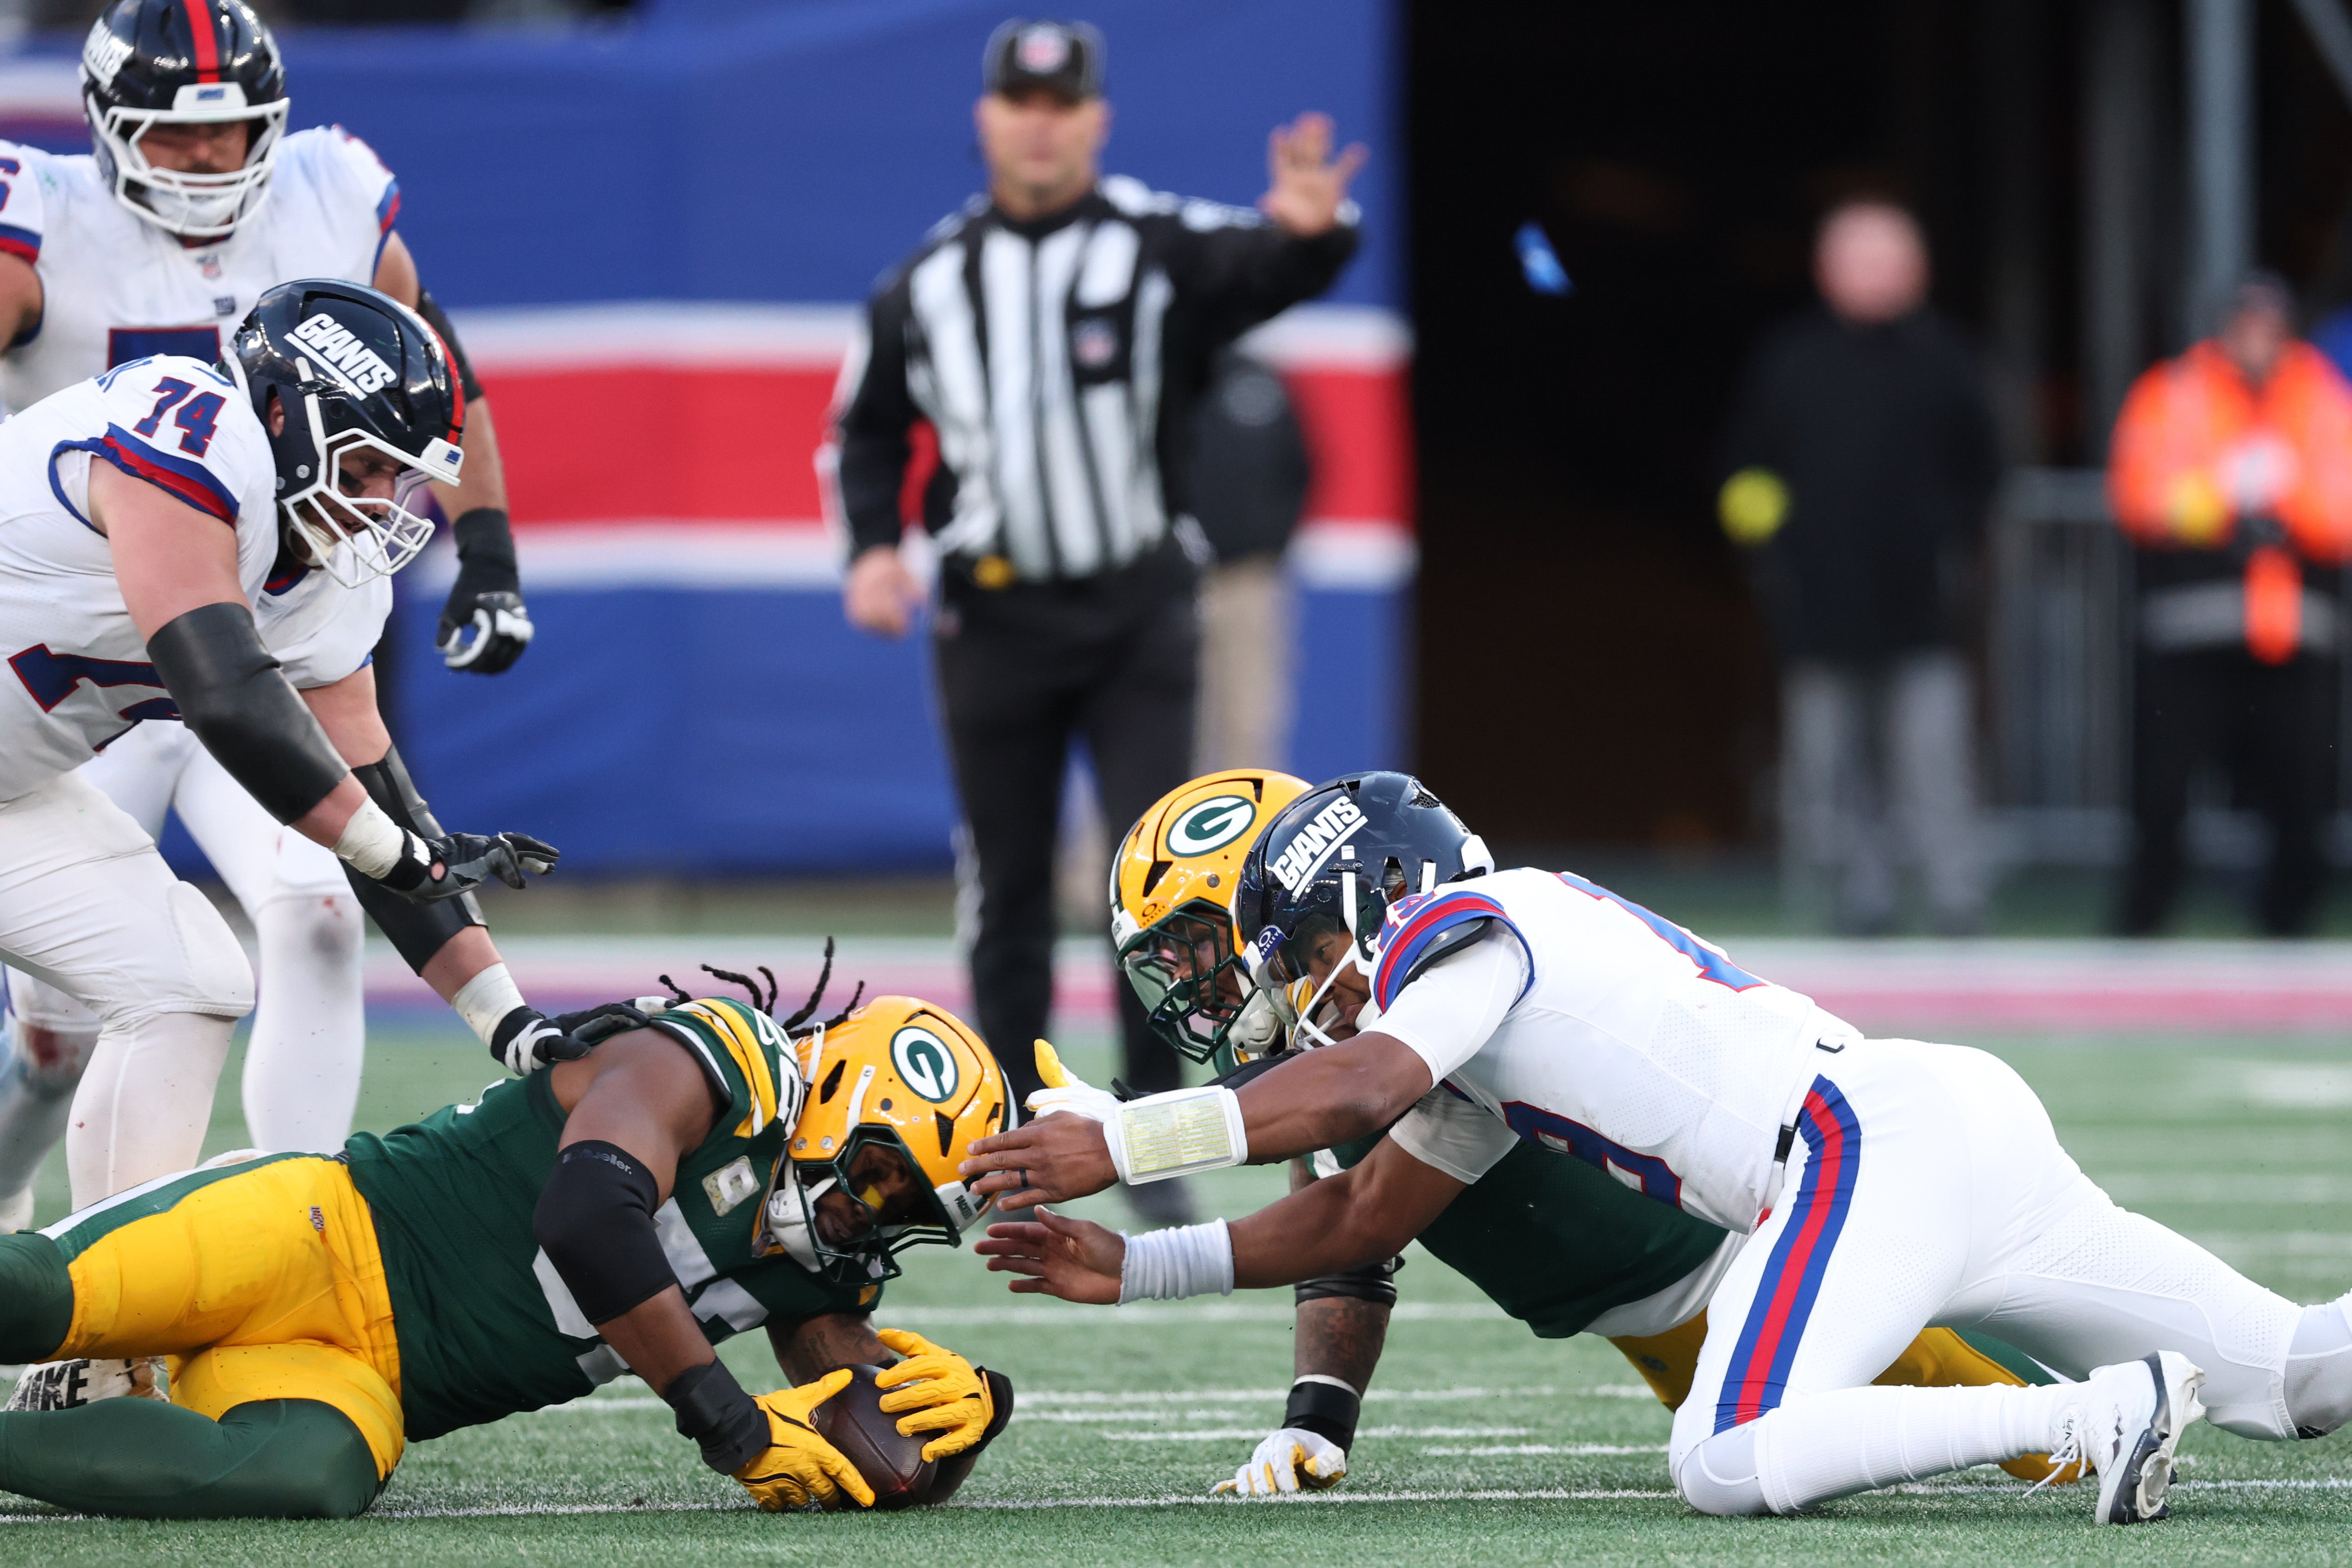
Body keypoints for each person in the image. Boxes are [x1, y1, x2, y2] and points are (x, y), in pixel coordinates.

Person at [969, 773, 2352, 1523]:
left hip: (1853, 1143)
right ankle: (2114, 1404)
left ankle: (2090, 1415)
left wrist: (1122, 1133)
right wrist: (1133, 1262)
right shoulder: (1482, 1007)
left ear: (1363, 894)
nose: (1300, 971)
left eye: (1305, 937)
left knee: (1725, 1451)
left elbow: (1352, 1088)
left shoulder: (1461, 934)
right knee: (2291, 1370)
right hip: (1938, 1120)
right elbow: (1355, 1216)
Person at [1099, 770, 2078, 1499]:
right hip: (1665, 1327)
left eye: (1196, 945)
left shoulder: (1408, 1008)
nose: (1191, 984)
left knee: (2056, 1439)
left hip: (1770, 1250)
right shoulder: (1336, 1036)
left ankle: (2124, 1400)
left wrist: (1122, 1147)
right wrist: (1316, 1417)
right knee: (1765, 1461)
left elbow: (1358, 1202)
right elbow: (1342, 1233)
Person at [822, 17, 1365, 1213]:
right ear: (986, 118)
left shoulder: (1152, 245)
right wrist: (870, 552)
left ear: (1095, 119)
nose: (1039, 122)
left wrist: (1315, 236)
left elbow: (1263, 267)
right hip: (995, 615)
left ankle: (1148, 1137)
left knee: (1155, 881)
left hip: (1134, 612)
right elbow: (865, 430)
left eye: (1062, 103)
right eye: (1020, 102)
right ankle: (1023, 1130)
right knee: (1007, 882)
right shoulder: (929, 279)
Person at [0, 0, 537, 1183]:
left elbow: (438, 381)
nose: (205, 160)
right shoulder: (54, 242)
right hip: (93, 644)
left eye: (230, 134)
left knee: (288, 924)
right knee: (58, 1033)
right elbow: (230, 686)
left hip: (151, 671)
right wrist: (403, 851)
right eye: (176, 135)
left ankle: (259, 1242)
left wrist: (513, 1020)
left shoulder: (331, 197)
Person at [0, 982, 1016, 1518]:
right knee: (31, 1294)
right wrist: (731, 1422)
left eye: (909, 1208)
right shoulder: (714, 1062)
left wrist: (957, 1412)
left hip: (365, 1381)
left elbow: (862, 1434)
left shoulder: (829, 1257)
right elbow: (583, 1216)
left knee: (307, 1479)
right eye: (882, 1176)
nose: (874, 1215)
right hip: (320, 1232)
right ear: (842, 1098)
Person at [1717, 200, 1999, 935]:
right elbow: (1745, 468)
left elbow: (1986, 468)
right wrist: (1778, 547)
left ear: (1918, 271)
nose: (1876, 276)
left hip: (1924, 606)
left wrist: (1949, 544)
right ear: (1826, 270)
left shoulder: (1948, 359)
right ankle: (1850, 900)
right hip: (1818, 605)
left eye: (1889, 260)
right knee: (1827, 766)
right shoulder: (1789, 359)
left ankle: (1954, 896)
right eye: (1860, 260)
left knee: (1934, 759)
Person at [2107, 272, 2352, 936]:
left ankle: (2288, 923)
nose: (2258, 339)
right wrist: (2220, 509)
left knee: (2301, 794)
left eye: (2271, 326)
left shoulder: (2323, 398)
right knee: (2162, 793)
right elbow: (2139, 493)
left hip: (2291, 633)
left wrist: (2284, 512)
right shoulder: (2173, 391)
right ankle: (2143, 923)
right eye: (2247, 324)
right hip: (2189, 631)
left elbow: (2339, 504)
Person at [1190, 350, 1311, 772]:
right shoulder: (1162, 368)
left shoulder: (1257, 380)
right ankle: (1129, 838)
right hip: (1171, 582)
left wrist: (1268, 544)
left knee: (1251, 719)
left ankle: (1260, 836)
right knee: (1155, 729)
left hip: (1247, 580)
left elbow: (1300, 467)